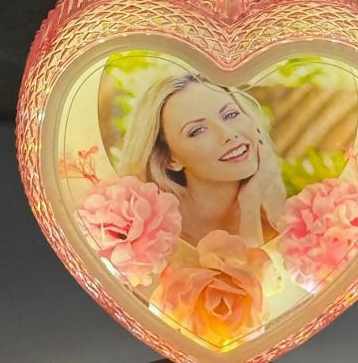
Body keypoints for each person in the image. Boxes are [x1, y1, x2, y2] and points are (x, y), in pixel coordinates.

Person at [118, 72, 285, 248]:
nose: (228, 134)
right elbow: (250, 265)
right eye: (197, 130)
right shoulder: (153, 236)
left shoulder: (275, 215)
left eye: (230, 115)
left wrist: (251, 203)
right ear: (169, 160)